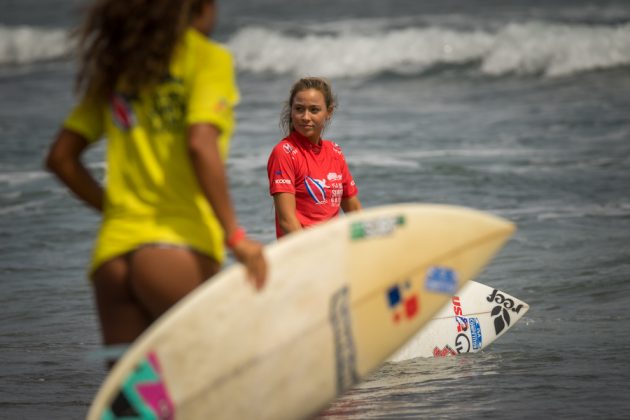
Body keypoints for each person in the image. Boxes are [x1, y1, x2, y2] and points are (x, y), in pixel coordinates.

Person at [45, 0, 266, 353]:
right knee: (226, 371)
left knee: (140, 403)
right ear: (198, 8)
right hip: (174, 250)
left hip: (112, 258)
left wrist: (118, 212)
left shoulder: (118, 70)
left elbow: (61, 158)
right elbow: (200, 143)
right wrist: (235, 236)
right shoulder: (206, 58)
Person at [267, 77, 362, 238]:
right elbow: (287, 221)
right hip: (301, 255)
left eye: (314, 110)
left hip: (333, 250)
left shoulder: (335, 152)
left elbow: (354, 209)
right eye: (299, 109)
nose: (305, 117)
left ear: (328, 112)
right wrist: (312, 254)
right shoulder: (285, 153)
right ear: (291, 111)